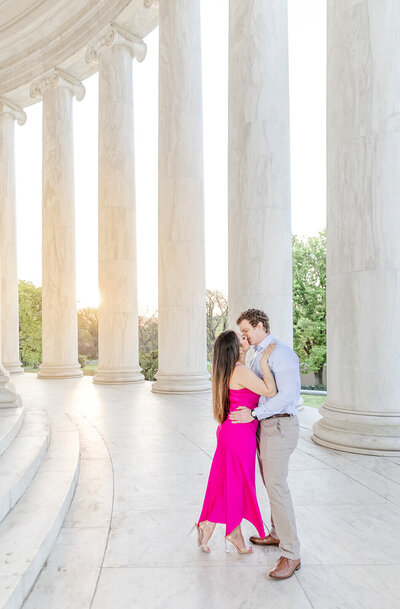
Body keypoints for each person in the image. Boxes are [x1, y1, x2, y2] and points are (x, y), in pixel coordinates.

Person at [229, 308, 301, 580]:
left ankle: (291, 553)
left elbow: (287, 396)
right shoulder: (258, 352)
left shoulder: (281, 353)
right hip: (265, 427)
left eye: (247, 330)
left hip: (280, 426)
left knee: (277, 487)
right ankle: (276, 533)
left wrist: (255, 414)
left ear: (260, 325)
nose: (244, 336)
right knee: (271, 485)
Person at [195, 330, 277, 554]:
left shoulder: (229, 370)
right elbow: (270, 390)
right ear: (236, 348)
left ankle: (208, 525)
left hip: (230, 431)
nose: (245, 337)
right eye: (241, 338)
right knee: (238, 484)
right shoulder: (240, 371)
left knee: (225, 482)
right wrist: (264, 361)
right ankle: (233, 531)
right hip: (239, 435)